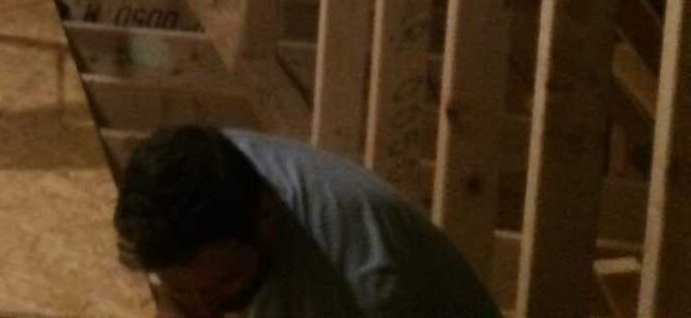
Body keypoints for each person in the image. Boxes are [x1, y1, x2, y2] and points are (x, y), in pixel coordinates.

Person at [112, 125, 501, 318]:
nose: (208, 310)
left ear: (265, 217)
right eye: (186, 290)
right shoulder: (202, 172)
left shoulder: (359, 285)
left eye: (224, 284)